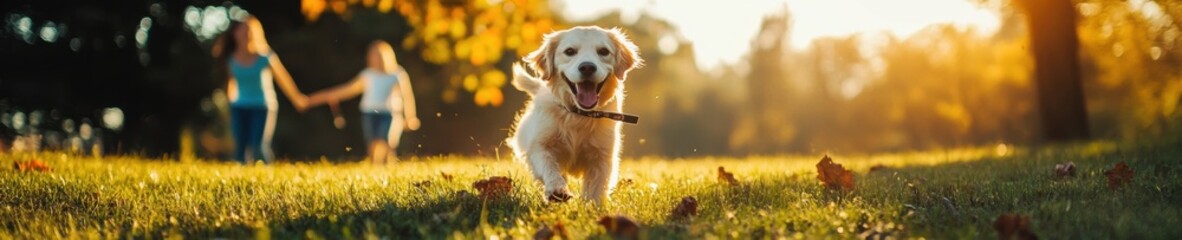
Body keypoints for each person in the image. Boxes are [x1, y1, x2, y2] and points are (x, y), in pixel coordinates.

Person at [304, 40, 420, 164]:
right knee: (373, 143)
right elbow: (347, 90)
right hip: (369, 113)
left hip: (389, 113)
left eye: (379, 55)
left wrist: (410, 116)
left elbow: (407, 96)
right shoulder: (367, 75)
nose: (376, 59)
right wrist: (318, 98)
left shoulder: (397, 74)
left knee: (387, 141)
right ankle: (375, 168)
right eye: (373, 56)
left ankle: (389, 166)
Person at [214, 15, 308, 164]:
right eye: (242, 30)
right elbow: (229, 85)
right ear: (235, 34)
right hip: (239, 106)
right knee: (240, 148)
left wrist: (297, 98)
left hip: (262, 106)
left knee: (258, 146)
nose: (246, 34)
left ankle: (268, 179)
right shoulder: (230, 60)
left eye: (249, 30)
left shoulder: (265, 57)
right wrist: (228, 106)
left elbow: (283, 79)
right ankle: (240, 182)